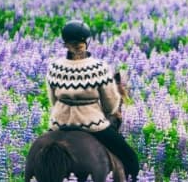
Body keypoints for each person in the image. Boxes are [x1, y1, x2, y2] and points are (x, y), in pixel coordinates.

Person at [46, 20, 140, 180]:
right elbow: (110, 103)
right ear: (86, 42)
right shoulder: (98, 68)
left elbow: (53, 100)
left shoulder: (55, 67)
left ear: (65, 43)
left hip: (59, 124)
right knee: (130, 158)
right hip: (91, 124)